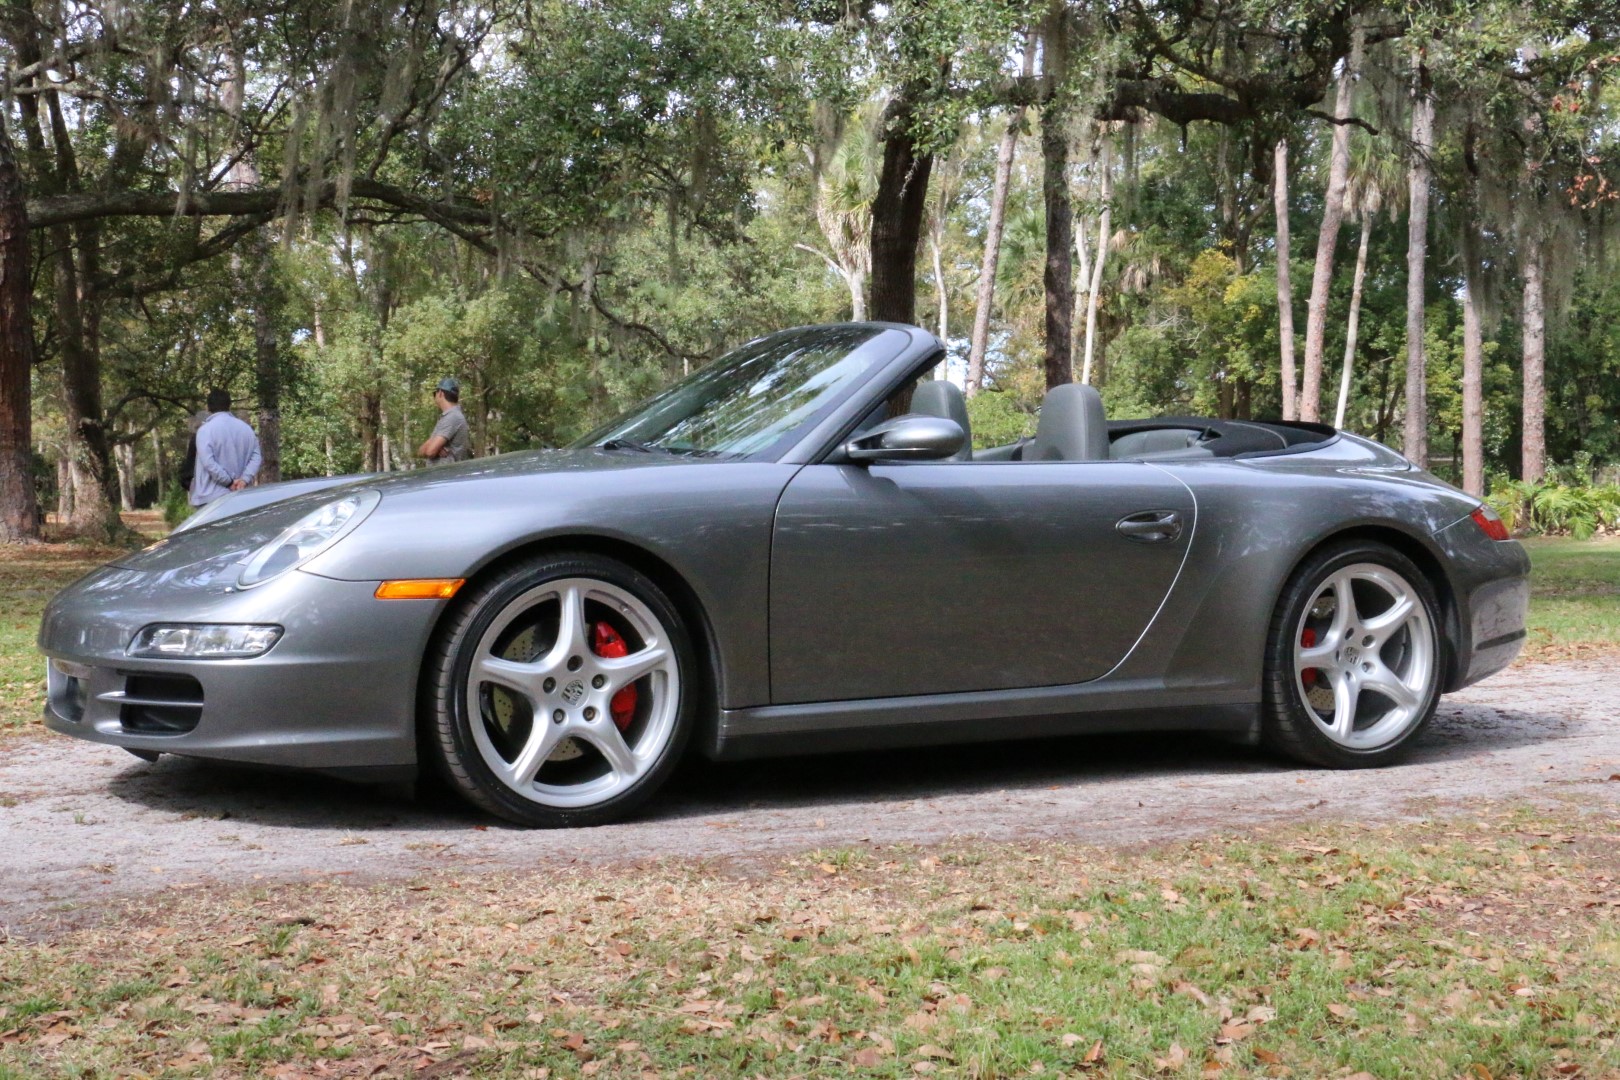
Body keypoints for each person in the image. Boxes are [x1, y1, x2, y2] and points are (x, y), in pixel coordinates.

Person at [190, 389, 262, 506]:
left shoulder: (205, 431)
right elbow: (256, 457)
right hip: (240, 496)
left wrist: (229, 482)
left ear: (208, 407)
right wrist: (244, 479)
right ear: (229, 405)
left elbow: (209, 462)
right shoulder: (246, 429)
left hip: (210, 498)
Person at [418, 376, 473, 463]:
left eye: (434, 393)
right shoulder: (447, 417)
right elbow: (420, 451)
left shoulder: (452, 417)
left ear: (440, 393)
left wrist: (433, 447)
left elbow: (430, 452)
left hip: (446, 471)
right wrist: (436, 447)